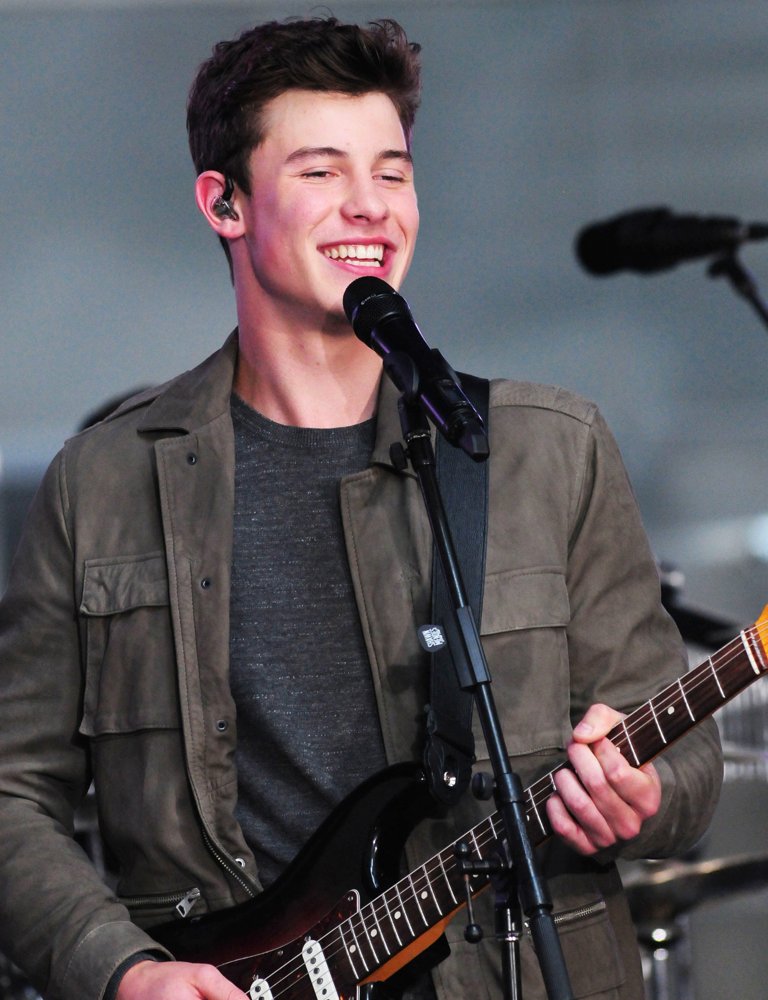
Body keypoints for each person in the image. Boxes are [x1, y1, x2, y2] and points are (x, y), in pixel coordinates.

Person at [0, 16, 722, 1000]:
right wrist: (123, 972)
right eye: (321, 171)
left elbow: (681, 757)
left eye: (392, 170)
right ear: (224, 202)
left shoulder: (546, 448)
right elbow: (12, 792)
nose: (370, 206)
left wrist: (645, 795)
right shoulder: (103, 481)